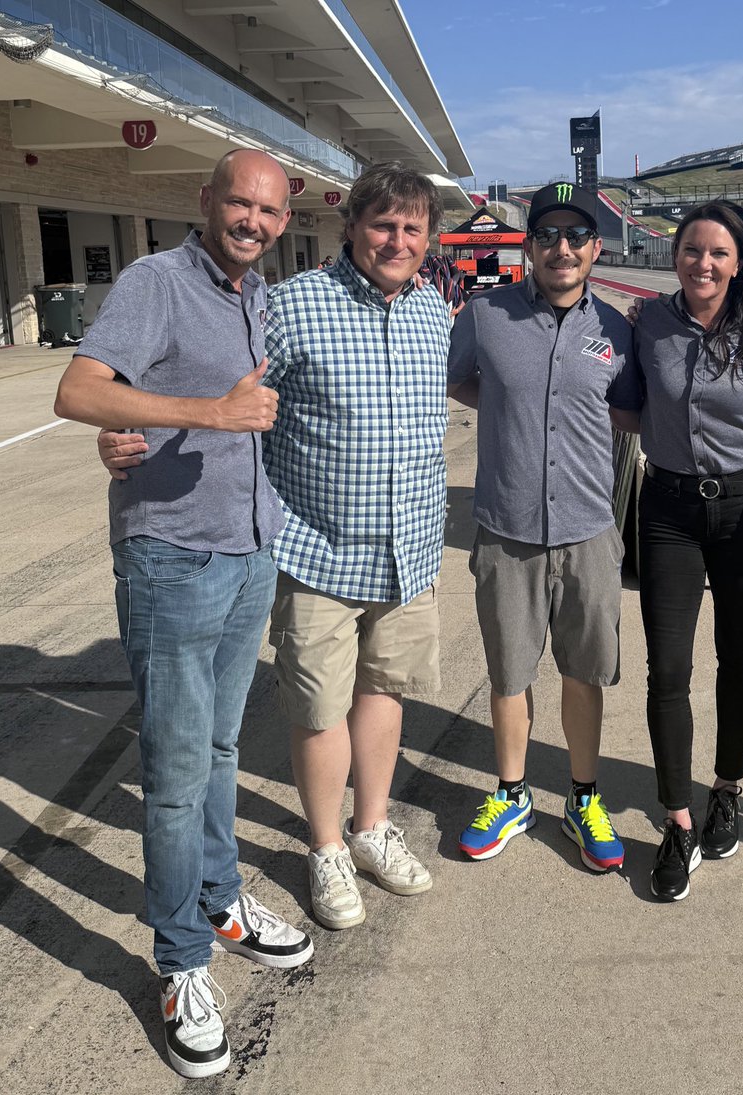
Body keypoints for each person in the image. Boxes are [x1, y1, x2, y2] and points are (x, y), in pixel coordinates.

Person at [97, 162, 450, 935]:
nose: (397, 240)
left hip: (411, 547)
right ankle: (326, 846)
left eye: (412, 228)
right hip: (318, 548)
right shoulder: (291, 307)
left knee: (384, 692)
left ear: (427, 241)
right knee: (321, 706)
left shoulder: (434, 311)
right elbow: (211, 385)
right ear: (351, 226)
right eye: (383, 224)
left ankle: (371, 826)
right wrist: (124, 433)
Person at [54, 148, 314, 1081]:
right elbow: (78, 390)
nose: (252, 219)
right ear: (207, 202)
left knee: (219, 752)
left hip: (248, 554)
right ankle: (182, 964)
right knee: (170, 773)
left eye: (269, 210)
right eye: (238, 202)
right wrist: (204, 412)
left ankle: (220, 898)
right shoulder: (156, 280)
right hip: (171, 558)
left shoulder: (262, 297)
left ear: (286, 221)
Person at [447, 181, 641, 872]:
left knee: (584, 671)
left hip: (589, 528)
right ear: (529, 246)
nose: (562, 248)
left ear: (594, 248)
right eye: (548, 235)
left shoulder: (617, 329)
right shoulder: (486, 313)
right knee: (509, 669)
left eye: (575, 236)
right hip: (506, 527)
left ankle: (582, 796)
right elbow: (460, 380)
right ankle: (511, 791)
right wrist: (509, 407)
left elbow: (629, 409)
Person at [630, 201, 743, 901]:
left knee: (738, 651)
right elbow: (621, 404)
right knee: (668, 666)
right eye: (693, 249)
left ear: (738, 261)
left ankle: (727, 786)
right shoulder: (649, 323)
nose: (704, 263)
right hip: (669, 510)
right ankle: (678, 819)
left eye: (719, 252)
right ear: (676, 256)